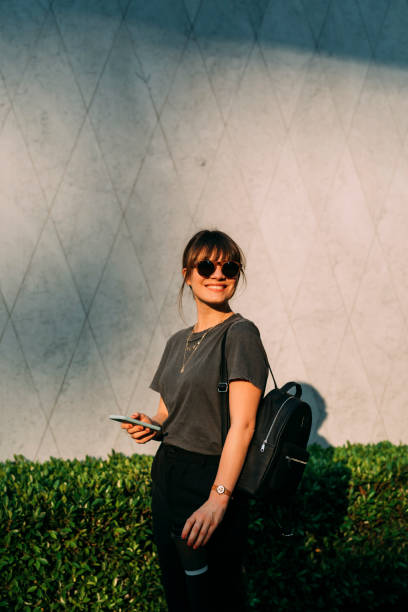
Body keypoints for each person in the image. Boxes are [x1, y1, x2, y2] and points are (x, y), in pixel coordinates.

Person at [121, 229, 268, 612]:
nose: (218, 274)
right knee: (179, 593)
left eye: (229, 267)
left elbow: (244, 425)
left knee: (215, 595)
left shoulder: (240, 334)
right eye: (207, 265)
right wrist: (149, 424)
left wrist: (218, 500)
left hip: (210, 478)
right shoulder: (176, 341)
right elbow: (170, 412)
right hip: (168, 473)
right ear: (188, 274)